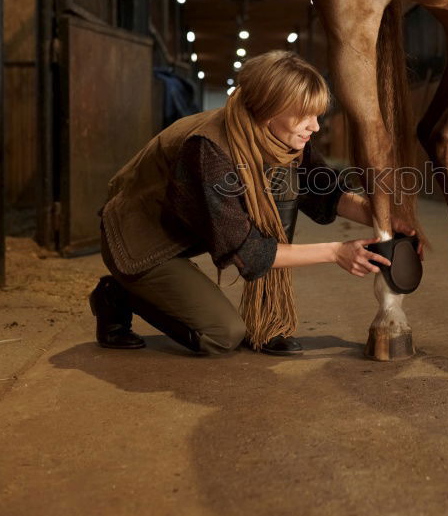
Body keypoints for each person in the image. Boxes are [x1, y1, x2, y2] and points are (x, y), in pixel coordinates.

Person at [90, 50, 417, 357]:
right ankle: (118, 293)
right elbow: (248, 252)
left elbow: (327, 193)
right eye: (304, 115)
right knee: (222, 335)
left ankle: (266, 322)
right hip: (140, 243)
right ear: (267, 108)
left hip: (180, 230)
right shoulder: (209, 150)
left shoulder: (282, 139)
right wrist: (337, 252)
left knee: (285, 176)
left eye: (317, 115)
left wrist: (386, 222)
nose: (315, 126)